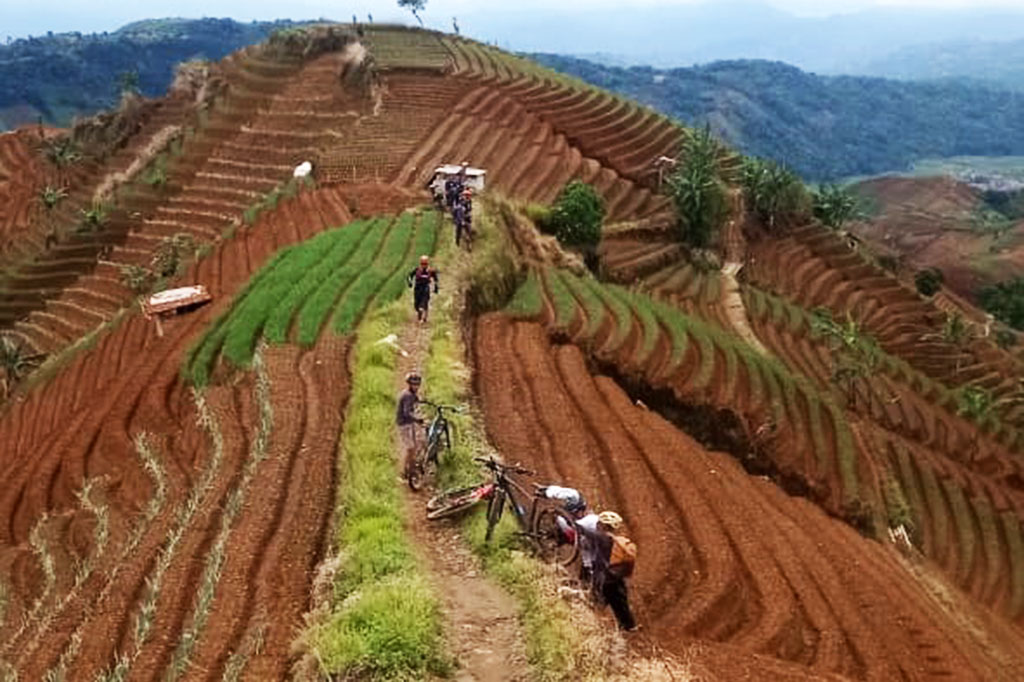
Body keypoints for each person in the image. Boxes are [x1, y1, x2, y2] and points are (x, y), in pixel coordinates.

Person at [578, 510, 637, 631]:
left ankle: (590, 625)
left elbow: (581, 529)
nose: (597, 525)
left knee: (595, 601)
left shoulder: (601, 537)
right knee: (620, 602)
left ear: (604, 526)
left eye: (599, 523)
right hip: (615, 577)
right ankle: (628, 626)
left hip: (603, 578)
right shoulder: (615, 540)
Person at [396, 373, 425, 480]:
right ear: (409, 384)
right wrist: (418, 419)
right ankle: (404, 472)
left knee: (415, 445)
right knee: (410, 448)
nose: (416, 387)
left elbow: (416, 402)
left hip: (409, 423)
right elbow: (407, 413)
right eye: (414, 384)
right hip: (404, 424)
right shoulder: (407, 396)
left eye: (417, 384)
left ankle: (411, 467)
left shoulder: (411, 395)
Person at [406, 255, 439, 323]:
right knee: (416, 304)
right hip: (418, 287)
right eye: (422, 264)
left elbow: (436, 279)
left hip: (425, 287)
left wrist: (436, 287)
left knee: (424, 301)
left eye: (425, 264)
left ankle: (424, 317)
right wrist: (410, 282)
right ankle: (419, 314)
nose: (424, 265)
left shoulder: (430, 270)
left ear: (427, 263)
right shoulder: (417, 270)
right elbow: (410, 276)